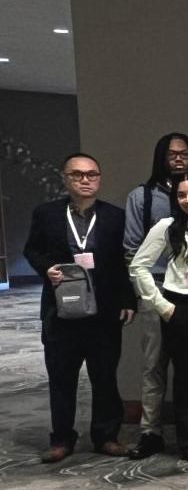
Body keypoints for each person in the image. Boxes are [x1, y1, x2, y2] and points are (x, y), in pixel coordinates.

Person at [24, 153, 136, 463]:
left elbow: (121, 263)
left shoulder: (115, 216)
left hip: (104, 312)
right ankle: (61, 439)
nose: (85, 180)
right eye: (77, 175)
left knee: (105, 377)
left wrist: (128, 299)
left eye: (92, 174)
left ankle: (106, 436)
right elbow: (32, 250)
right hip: (62, 312)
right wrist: (46, 268)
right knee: (61, 378)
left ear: (99, 178)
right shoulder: (46, 214)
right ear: (65, 178)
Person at [129, 170, 188, 463]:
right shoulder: (168, 226)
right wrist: (162, 306)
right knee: (186, 378)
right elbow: (138, 267)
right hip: (180, 306)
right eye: (182, 195)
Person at [124, 132, 188, 459]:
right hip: (156, 290)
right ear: (161, 157)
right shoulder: (142, 197)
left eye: (184, 153)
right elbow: (131, 251)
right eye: (171, 154)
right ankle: (150, 432)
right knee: (154, 364)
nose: (178, 158)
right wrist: (148, 297)